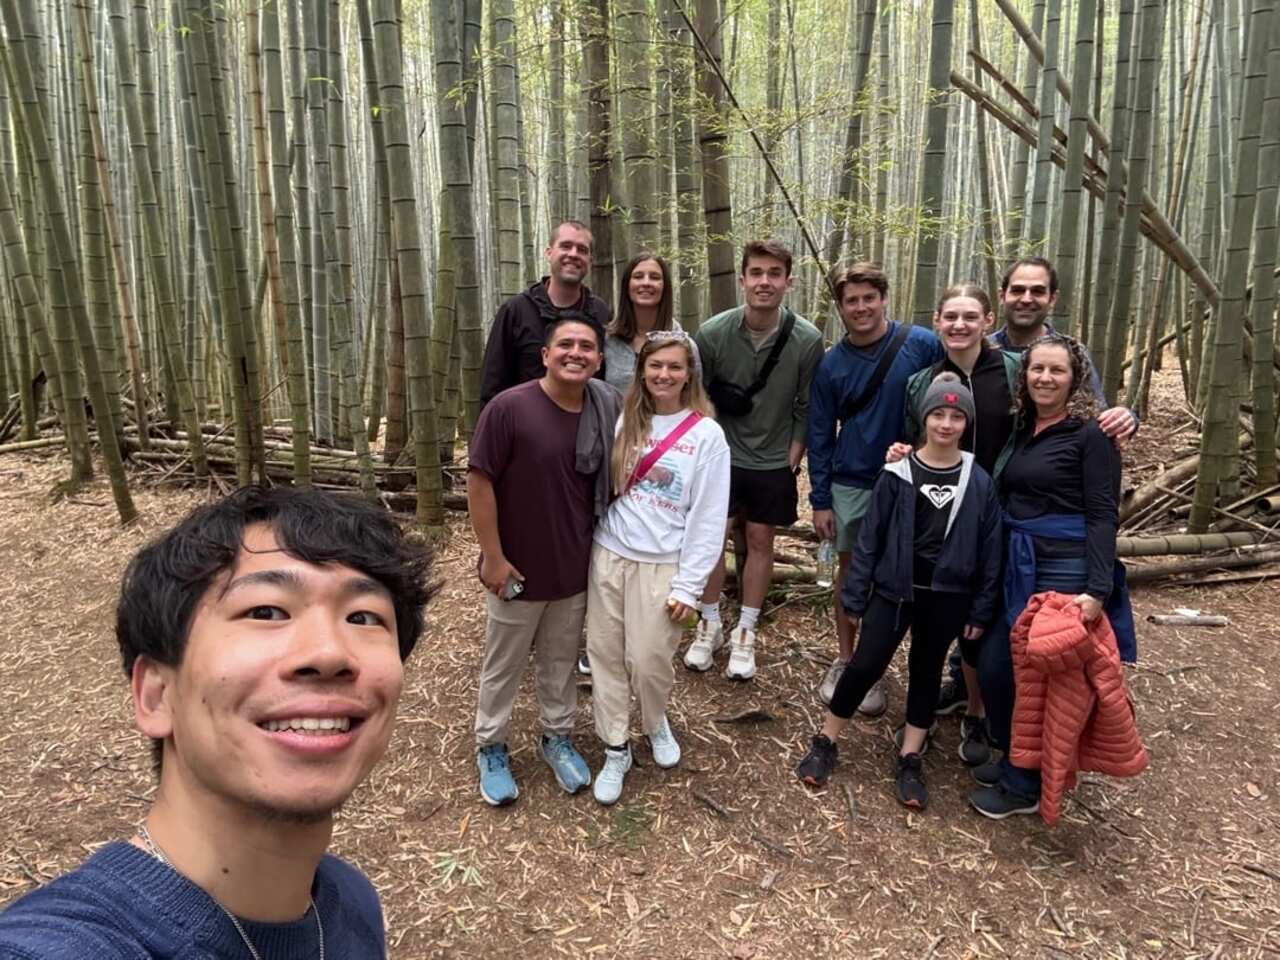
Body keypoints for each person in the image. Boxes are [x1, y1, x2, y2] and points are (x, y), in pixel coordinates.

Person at [0, 487, 436, 957]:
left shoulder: (353, 901)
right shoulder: (54, 947)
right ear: (157, 695)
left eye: (364, 617)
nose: (329, 653)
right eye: (266, 611)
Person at [794, 375, 1002, 809]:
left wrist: (981, 609)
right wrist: (855, 595)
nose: (946, 424)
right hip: (894, 588)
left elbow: (990, 548)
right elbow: (869, 539)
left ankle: (911, 756)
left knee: (926, 670)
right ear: (924, 418)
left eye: (956, 416)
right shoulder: (898, 473)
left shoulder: (978, 480)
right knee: (864, 663)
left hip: (947, 593)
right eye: (938, 414)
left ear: (966, 423)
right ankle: (826, 740)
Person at [969, 334, 1135, 820]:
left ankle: (1025, 784)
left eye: (1056, 370)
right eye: (1037, 369)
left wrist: (1097, 589)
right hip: (1016, 560)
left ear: (1075, 378)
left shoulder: (1091, 435)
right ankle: (1016, 759)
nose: (1045, 378)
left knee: (1039, 676)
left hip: (1064, 568)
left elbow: (1103, 514)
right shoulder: (1023, 427)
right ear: (1024, 376)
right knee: (996, 663)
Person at [468, 316, 622, 807]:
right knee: (504, 664)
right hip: (516, 568)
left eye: (587, 346)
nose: (576, 353)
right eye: (566, 344)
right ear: (545, 354)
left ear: (599, 360)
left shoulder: (606, 409)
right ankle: (491, 745)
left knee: (560, 661)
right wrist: (493, 557)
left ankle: (557, 736)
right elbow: (479, 482)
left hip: (574, 565)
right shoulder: (509, 408)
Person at [586, 332, 730, 804]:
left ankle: (653, 720)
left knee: (648, 660)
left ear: (689, 374)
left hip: (663, 562)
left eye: (674, 367)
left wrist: (689, 586)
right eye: (655, 366)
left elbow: (708, 517)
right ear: (642, 371)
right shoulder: (622, 418)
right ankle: (615, 745)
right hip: (610, 552)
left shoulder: (707, 435)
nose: (664, 375)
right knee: (606, 656)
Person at [684, 240, 825, 681]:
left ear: (788, 282)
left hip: (772, 457)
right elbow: (697, 397)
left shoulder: (807, 339)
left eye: (774, 274)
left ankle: (745, 630)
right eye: (757, 273)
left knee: (761, 539)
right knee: (712, 538)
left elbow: (807, 403)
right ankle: (709, 622)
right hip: (720, 454)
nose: (765, 282)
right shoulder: (712, 333)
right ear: (742, 279)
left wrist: (794, 452)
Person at [806, 262, 943, 713]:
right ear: (840, 307)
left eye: (869, 298)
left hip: (918, 478)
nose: (861, 307)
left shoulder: (921, 344)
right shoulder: (832, 364)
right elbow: (820, 435)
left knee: (910, 574)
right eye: (852, 300)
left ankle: (886, 664)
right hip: (852, 481)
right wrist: (820, 499)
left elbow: (954, 395)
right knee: (850, 574)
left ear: (884, 298)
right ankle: (848, 661)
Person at [898, 284, 1020, 766]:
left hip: (1001, 511)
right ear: (937, 320)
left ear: (988, 320)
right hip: (939, 518)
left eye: (970, 316)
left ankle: (978, 710)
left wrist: (1123, 415)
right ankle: (935, 705)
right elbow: (915, 442)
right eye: (951, 316)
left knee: (982, 617)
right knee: (938, 618)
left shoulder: (1014, 371)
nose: (960, 325)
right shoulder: (922, 381)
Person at [479, 220, 612, 407]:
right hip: (524, 421)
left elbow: (606, 380)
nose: (573, 254)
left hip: (585, 422)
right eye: (566, 246)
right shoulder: (516, 310)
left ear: (590, 261)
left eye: (582, 250)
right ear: (549, 253)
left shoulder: (600, 312)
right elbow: (492, 385)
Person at [603, 252, 689, 393]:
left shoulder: (683, 344)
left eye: (654, 277)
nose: (646, 282)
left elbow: (694, 397)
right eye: (638, 277)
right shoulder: (608, 341)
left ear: (665, 287)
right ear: (627, 285)